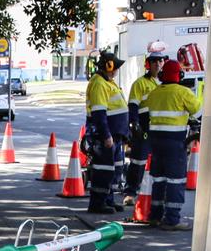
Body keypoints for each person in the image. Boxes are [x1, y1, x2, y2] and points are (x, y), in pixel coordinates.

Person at [139, 60, 202, 230]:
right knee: (176, 181)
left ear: (161, 75)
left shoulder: (153, 93)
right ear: (179, 75)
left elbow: (143, 116)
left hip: (156, 143)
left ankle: (155, 216)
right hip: (175, 143)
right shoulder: (184, 93)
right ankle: (172, 220)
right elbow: (200, 114)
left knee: (158, 179)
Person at [83, 51, 130, 214]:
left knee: (113, 170)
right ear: (108, 66)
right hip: (105, 137)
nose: (116, 69)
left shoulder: (108, 82)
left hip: (115, 135)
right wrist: (106, 135)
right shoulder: (99, 84)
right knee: (103, 170)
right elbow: (99, 113)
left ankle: (107, 200)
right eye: (115, 66)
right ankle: (97, 203)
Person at [124, 47, 169, 206]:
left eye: (160, 61)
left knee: (158, 162)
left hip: (160, 128)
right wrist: (134, 124)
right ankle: (130, 192)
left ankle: (155, 194)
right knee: (138, 161)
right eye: (154, 61)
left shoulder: (166, 83)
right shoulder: (140, 83)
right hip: (143, 127)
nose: (158, 64)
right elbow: (133, 105)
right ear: (148, 65)